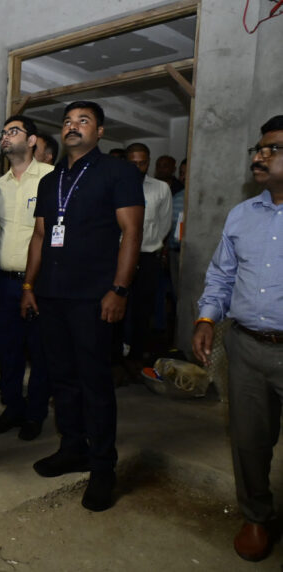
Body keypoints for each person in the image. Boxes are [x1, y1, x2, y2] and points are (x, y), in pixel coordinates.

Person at [21, 101, 144, 512]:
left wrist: (119, 290)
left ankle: (103, 467)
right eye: (68, 122)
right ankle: (72, 447)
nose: (73, 127)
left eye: (83, 121)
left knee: (94, 383)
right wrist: (29, 285)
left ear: (100, 131)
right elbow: (40, 236)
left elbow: (131, 232)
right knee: (62, 379)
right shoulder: (50, 179)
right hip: (51, 295)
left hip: (94, 297)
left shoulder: (118, 172)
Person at [192, 115, 283, 563]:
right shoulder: (242, 215)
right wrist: (207, 319)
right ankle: (256, 517)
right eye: (257, 149)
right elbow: (222, 275)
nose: (258, 157)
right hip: (245, 348)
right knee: (249, 441)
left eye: (272, 149)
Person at [0, 115, 54, 441]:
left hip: (39, 282)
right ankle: (12, 408)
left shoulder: (51, 177)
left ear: (32, 140)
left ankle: (35, 413)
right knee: (8, 351)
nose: (5, 136)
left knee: (40, 351)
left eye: (14, 131)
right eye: (3, 132)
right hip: (4, 282)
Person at [124, 143, 172, 365]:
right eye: (133, 163)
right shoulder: (116, 185)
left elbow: (164, 224)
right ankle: (116, 357)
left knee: (143, 311)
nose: (137, 167)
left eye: (142, 163)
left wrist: (151, 243)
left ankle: (136, 358)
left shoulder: (161, 188)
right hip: (120, 256)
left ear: (148, 162)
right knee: (117, 308)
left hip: (147, 257)